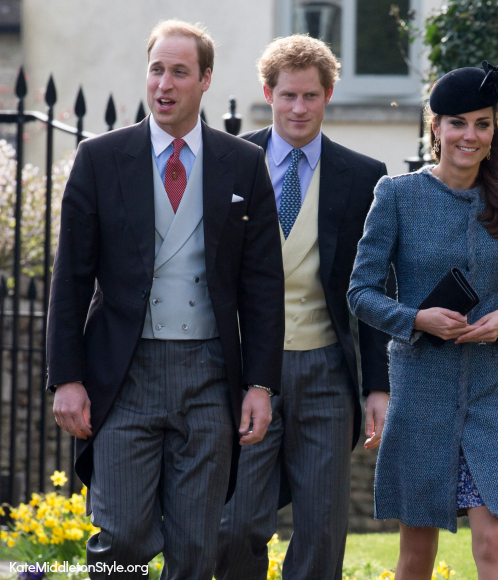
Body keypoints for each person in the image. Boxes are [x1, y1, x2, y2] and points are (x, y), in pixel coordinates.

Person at [47, 19, 285, 580]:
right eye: (157, 69)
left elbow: (263, 285)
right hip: (124, 375)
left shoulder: (243, 163)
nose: (164, 84)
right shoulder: (100, 158)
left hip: (210, 374)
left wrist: (260, 384)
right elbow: (71, 279)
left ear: (205, 80)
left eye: (180, 72)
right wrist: (67, 377)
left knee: (196, 547)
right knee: (122, 536)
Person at [348, 61, 498, 580]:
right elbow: (360, 293)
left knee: (496, 544)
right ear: (435, 127)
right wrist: (417, 318)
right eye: (457, 122)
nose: (470, 135)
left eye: (483, 123)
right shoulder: (397, 195)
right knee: (416, 552)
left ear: (493, 130)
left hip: (494, 389)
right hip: (421, 390)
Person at [215, 35, 392, 580]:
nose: (298, 108)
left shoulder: (364, 175)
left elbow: (373, 286)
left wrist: (377, 386)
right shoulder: (226, 162)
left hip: (326, 372)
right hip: (248, 370)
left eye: (310, 96)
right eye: (287, 95)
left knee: (322, 528)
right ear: (267, 93)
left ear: (329, 94)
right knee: (237, 523)